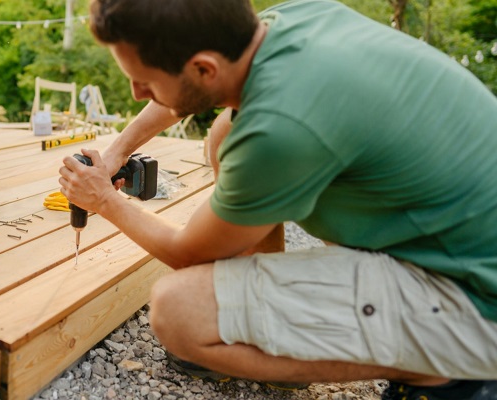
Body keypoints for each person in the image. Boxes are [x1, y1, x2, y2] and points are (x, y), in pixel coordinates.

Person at [57, 0, 497, 399]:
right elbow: (187, 92)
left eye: (144, 80)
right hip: (459, 231)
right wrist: (118, 153)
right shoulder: (290, 20)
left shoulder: (280, 131)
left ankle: (442, 370)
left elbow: (189, 253)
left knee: (177, 310)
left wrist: (106, 202)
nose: (135, 92)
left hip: (476, 296)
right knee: (225, 130)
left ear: (205, 69)